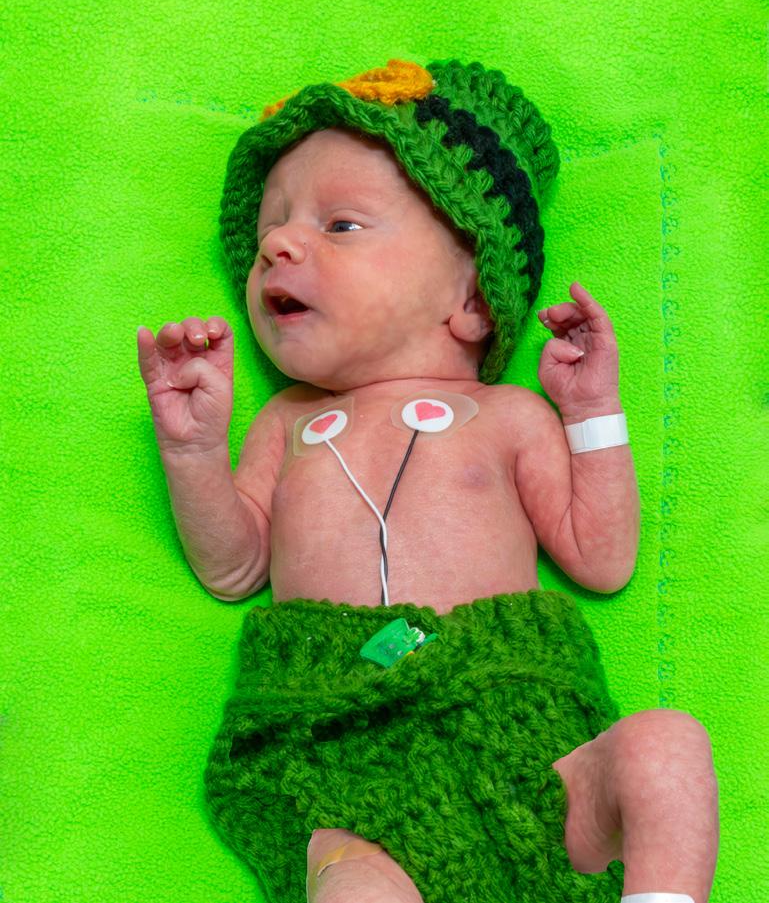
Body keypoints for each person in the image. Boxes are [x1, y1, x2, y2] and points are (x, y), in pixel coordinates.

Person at [137, 60, 718, 903]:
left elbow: (602, 557)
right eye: (269, 232)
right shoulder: (285, 423)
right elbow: (232, 567)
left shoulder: (509, 415)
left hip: (522, 739)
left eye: (339, 224)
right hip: (337, 747)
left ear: (472, 297)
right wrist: (193, 451)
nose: (277, 246)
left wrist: (591, 410)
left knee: (667, 746)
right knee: (352, 888)